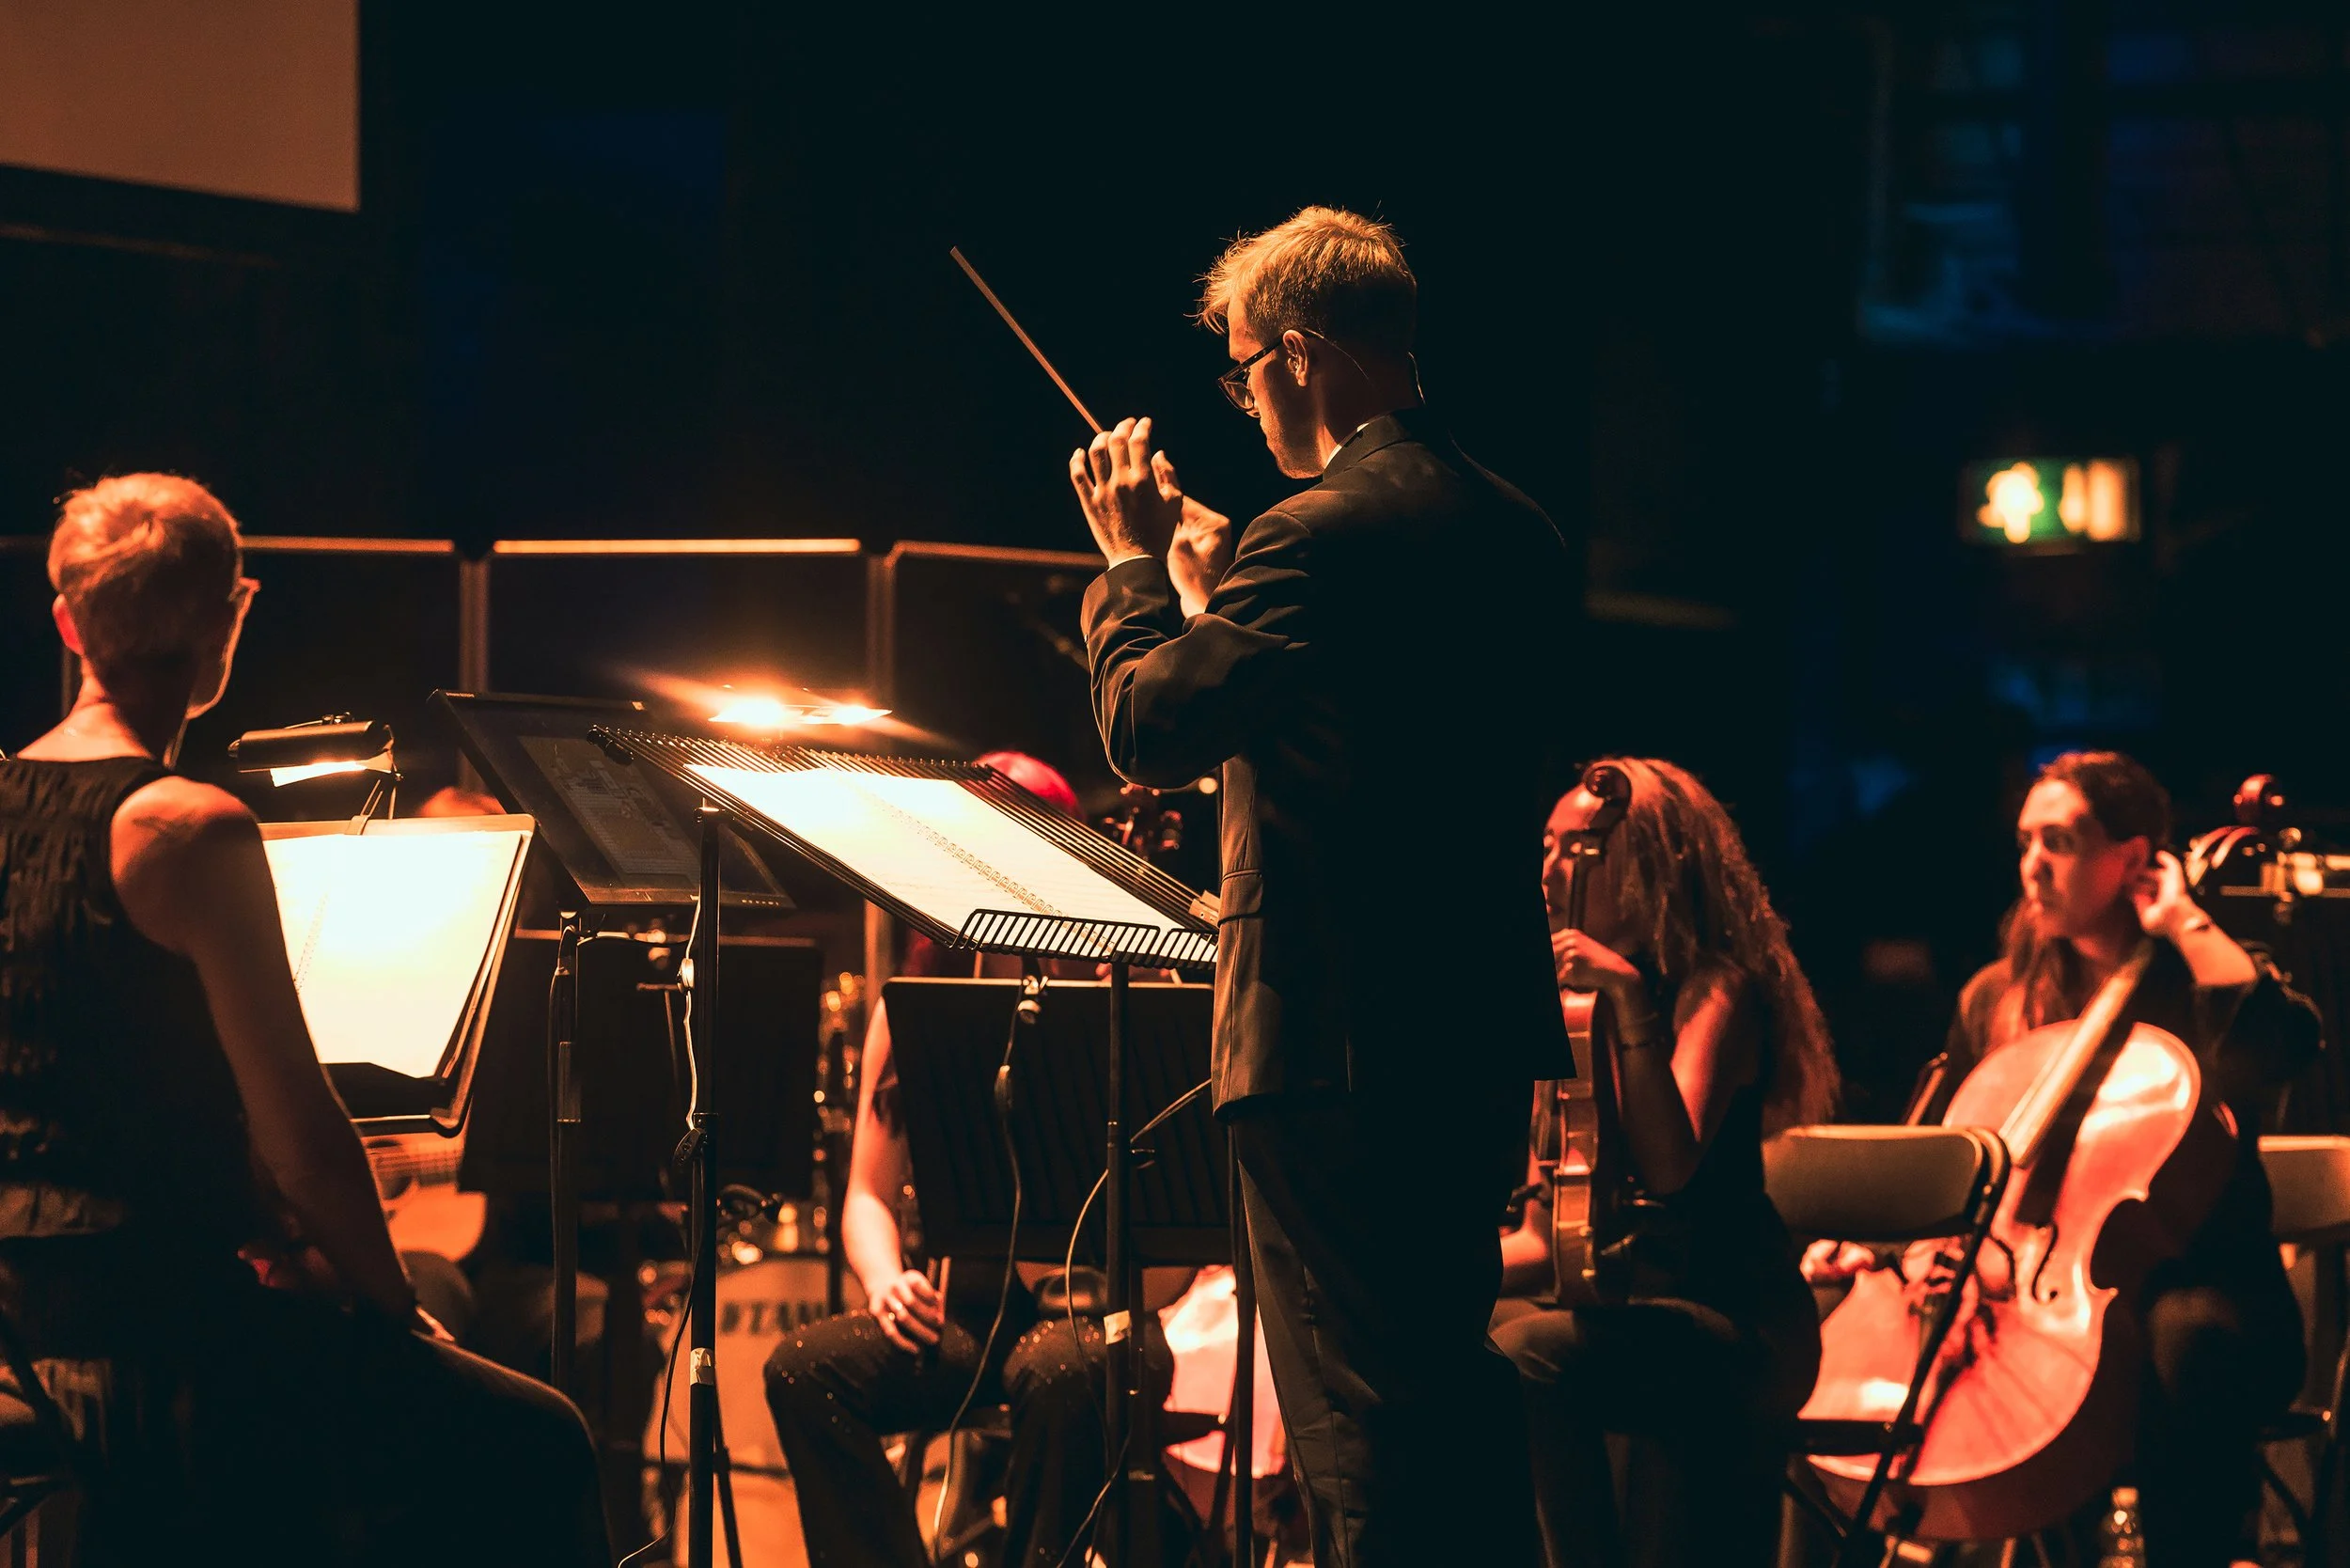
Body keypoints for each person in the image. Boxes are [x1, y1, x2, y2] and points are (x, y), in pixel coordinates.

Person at [1069, 206, 1577, 1564]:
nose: (1243, 405)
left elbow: (1147, 728)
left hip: (1329, 1047)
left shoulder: (1311, 534)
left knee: (1357, 1433)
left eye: (1244, 373)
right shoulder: (1518, 528)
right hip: (1470, 1040)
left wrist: (1131, 570)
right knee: (1448, 1397)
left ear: (1298, 353)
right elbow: (1363, 733)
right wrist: (1216, 597)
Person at [0, 475, 609, 1563]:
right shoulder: (187, 831)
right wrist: (395, 1308)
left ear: (67, 624)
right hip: (165, 1338)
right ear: (226, 625)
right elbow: (305, 1139)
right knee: (539, 1434)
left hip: (20, 1326)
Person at [1807, 750, 2316, 1567]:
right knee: (1825, 1320)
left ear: (2134, 857)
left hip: (2205, 1291)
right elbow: (1947, 1162)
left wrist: (2185, 923)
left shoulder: (2197, 981)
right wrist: (1887, 1247)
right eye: (2026, 843)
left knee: (2182, 1338)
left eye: (2062, 842)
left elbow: (2281, 1048)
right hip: (2025, 1294)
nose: (2034, 865)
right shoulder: (1998, 998)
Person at [762, 751, 1184, 1568]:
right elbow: (867, 1195)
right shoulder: (913, 1006)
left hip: (1100, 1316)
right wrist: (886, 1280)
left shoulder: (1123, 985)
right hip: (965, 1321)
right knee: (803, 1372)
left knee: (1064, 1375)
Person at [1491, 759, 1838, 1567]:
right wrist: (1419, 1277)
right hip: (1633, 1315)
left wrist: (1629, 1000)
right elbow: (1545, 1240)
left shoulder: (1717, 989)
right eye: (1547, 847)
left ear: (1650, 867)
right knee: (1473, 1333)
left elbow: (1670, 1166)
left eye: (1579, 850)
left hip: (1737, 1321)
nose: (1549, 871)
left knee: (1528, 1354)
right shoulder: (1569, 1011)